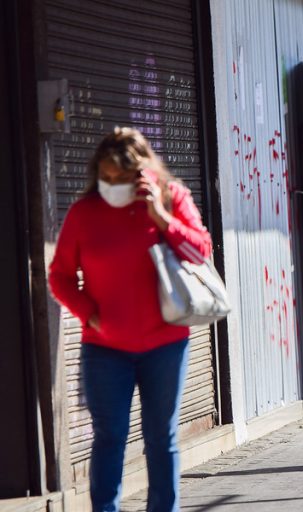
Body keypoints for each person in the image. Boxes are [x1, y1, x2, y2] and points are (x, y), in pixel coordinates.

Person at [48, 127, 213, 511]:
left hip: (166, 344)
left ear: (143, 172)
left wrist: (161, 217)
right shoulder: (84, 213)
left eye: (122, 178)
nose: (113, 185)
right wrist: (89, 315)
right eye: (106, 177)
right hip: (105, 349)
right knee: (109, 437)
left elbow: (201, 251)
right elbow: (59, 276)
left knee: (161, 436)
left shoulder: (172, 198)